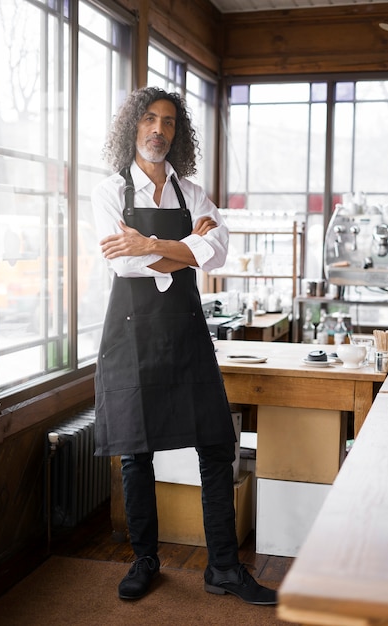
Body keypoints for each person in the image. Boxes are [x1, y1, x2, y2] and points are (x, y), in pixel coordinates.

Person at [91, 86, 277, 607]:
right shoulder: (108, 192)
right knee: (136, 453)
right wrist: (185, 250)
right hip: (131, 335)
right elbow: (121, 262)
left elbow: (216, 253)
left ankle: (222, 567)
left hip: (188, 334)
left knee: (217, 445)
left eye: (169, 122)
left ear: (178, 133)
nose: (158, 130)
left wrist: (149, 244)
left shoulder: (192, 192)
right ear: (133, 126)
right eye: (149, 119)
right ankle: (144, 560)